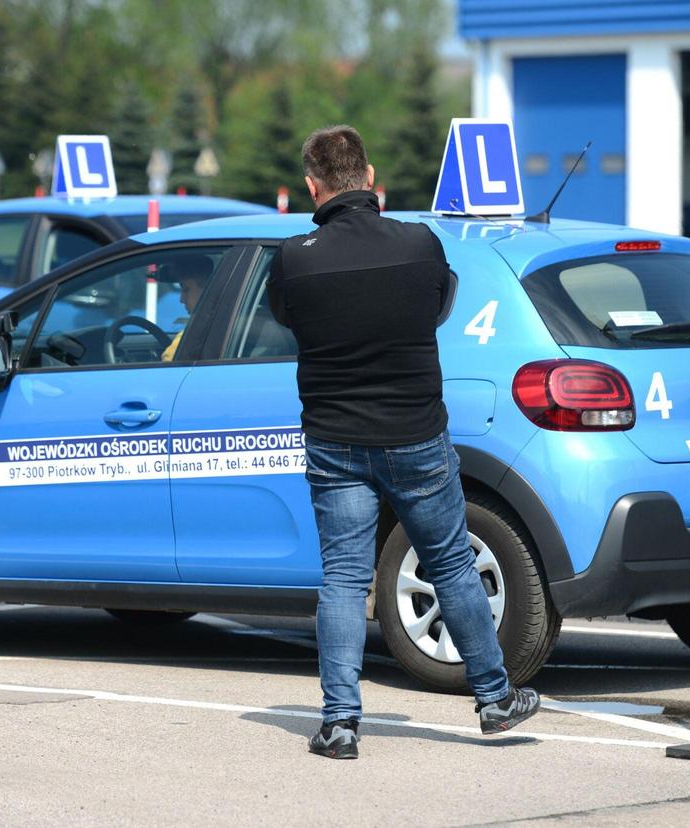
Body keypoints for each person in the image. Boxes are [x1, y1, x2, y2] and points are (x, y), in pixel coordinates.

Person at [267, 125, 540, 760]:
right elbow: (440, 307)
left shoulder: (296, 257)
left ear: (314, 187)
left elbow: (285, 317)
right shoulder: (420, 244)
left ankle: (339, 724)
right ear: (370, 178)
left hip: (334, 441)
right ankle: (495, 701)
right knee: (448, 564)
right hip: (416, 436)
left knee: (342, 578)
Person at [160, 255, 213, 361]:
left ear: (207, 290)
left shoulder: (190, 339)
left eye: (186, 289)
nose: (181, 299)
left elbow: (168, 364)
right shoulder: (224, 325)